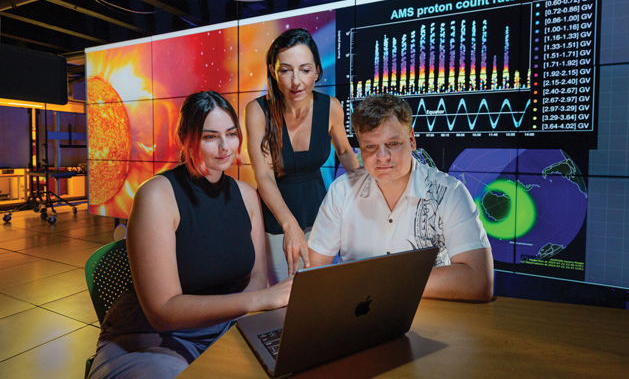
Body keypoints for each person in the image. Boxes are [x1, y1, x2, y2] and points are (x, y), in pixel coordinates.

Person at [88, 91, 292, 379]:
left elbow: (256, 278)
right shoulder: (157, 194)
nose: (225, 147)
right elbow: (163, 312)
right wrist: (260, 300)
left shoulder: (247, 195)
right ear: (186, 138)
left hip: (224, 328)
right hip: (151, 340)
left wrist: (253, 305)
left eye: (231, 134)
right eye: (210, 137)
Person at [307, 94, 494, 302]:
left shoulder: (449, 193)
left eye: (393, 143)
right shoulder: (341, 191)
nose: (382, 156)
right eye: (370, 146)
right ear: (360, 147)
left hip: (431, 317)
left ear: (412, 140)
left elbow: (478, 281)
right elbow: (313, 272)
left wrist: (378, 281)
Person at [245, 28, 359, 285]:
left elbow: (344, 151)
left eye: (305, 70)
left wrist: (367, 193)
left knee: (320, 291)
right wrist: (289, 226)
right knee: (283, 294)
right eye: (285, 70)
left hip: (321, 213)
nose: (296, 81)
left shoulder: (331, 106)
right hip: (275, 218)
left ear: (317, 71)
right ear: (274, 72)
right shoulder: (257, 111)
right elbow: (263, 175)